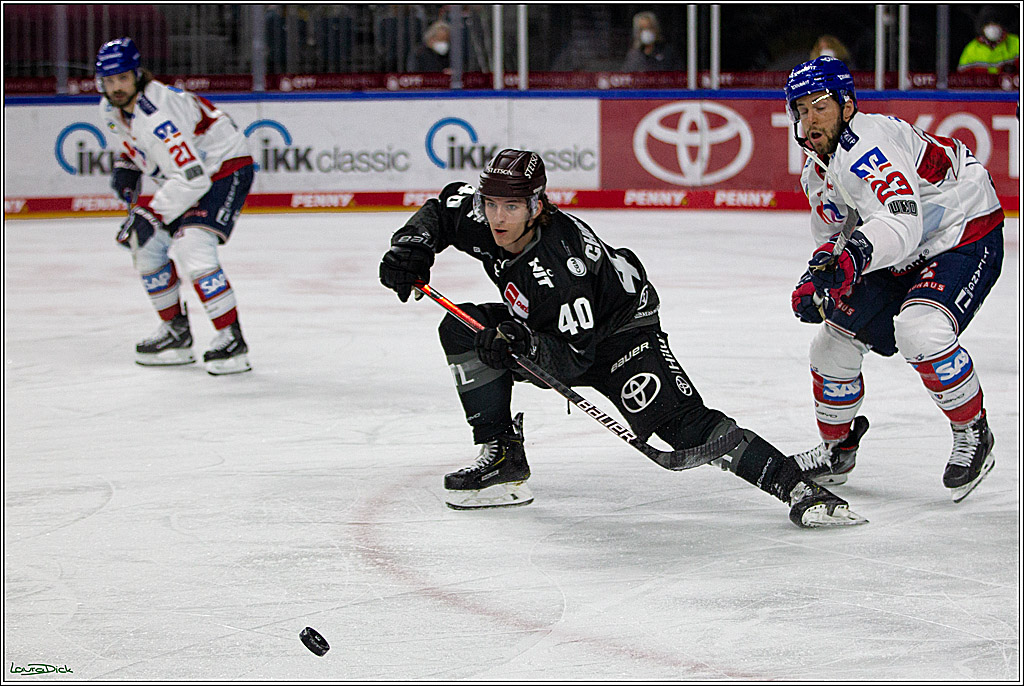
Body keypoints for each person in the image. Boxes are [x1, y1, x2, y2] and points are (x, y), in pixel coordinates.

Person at [379, 148, 866, 528]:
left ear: (537, 205)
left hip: (622, 333)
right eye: (492, 204)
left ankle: (799, 490)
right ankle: (502, 456)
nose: (498, 217)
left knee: (682, 424)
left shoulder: (558, 268)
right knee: (462, 328)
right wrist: (412, 246)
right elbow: (444, 207)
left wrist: (520, 346)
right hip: (562, 329)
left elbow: (570, 365)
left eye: (512, 206)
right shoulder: (485, 218)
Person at [784, 56, 1004, 502]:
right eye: (801, 110)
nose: (809, 121)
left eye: (820, 107)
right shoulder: (816, 170)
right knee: (831, 345)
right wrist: (819, 279)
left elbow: (901, 221)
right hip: (901, 250)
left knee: (921, 330)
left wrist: (851, 260)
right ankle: (836, 450)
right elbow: (833, 235)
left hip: (961, 234)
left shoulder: (869, 143)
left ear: (847, 106)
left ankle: (972, 431)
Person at [96, 37, 254, 375]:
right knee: (147, 247)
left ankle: (231, 338)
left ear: (138, 75)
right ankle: (176, 333)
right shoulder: (109, 110)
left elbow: (193, 177)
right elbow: (140, 147)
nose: (116, 87)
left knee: (193, 245)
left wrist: (151, 213)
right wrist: (128, 164)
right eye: (109, 81)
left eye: (123, 78)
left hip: (225, 167)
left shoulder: (158, 115)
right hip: (188, 174)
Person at [958, 8, 1019, 74]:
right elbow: (962, 78)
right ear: (981, 28)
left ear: (1002, 25)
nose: (992, 27)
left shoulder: (1016, 42)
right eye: (987, 23)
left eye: (995, 22)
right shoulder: (972, 49)